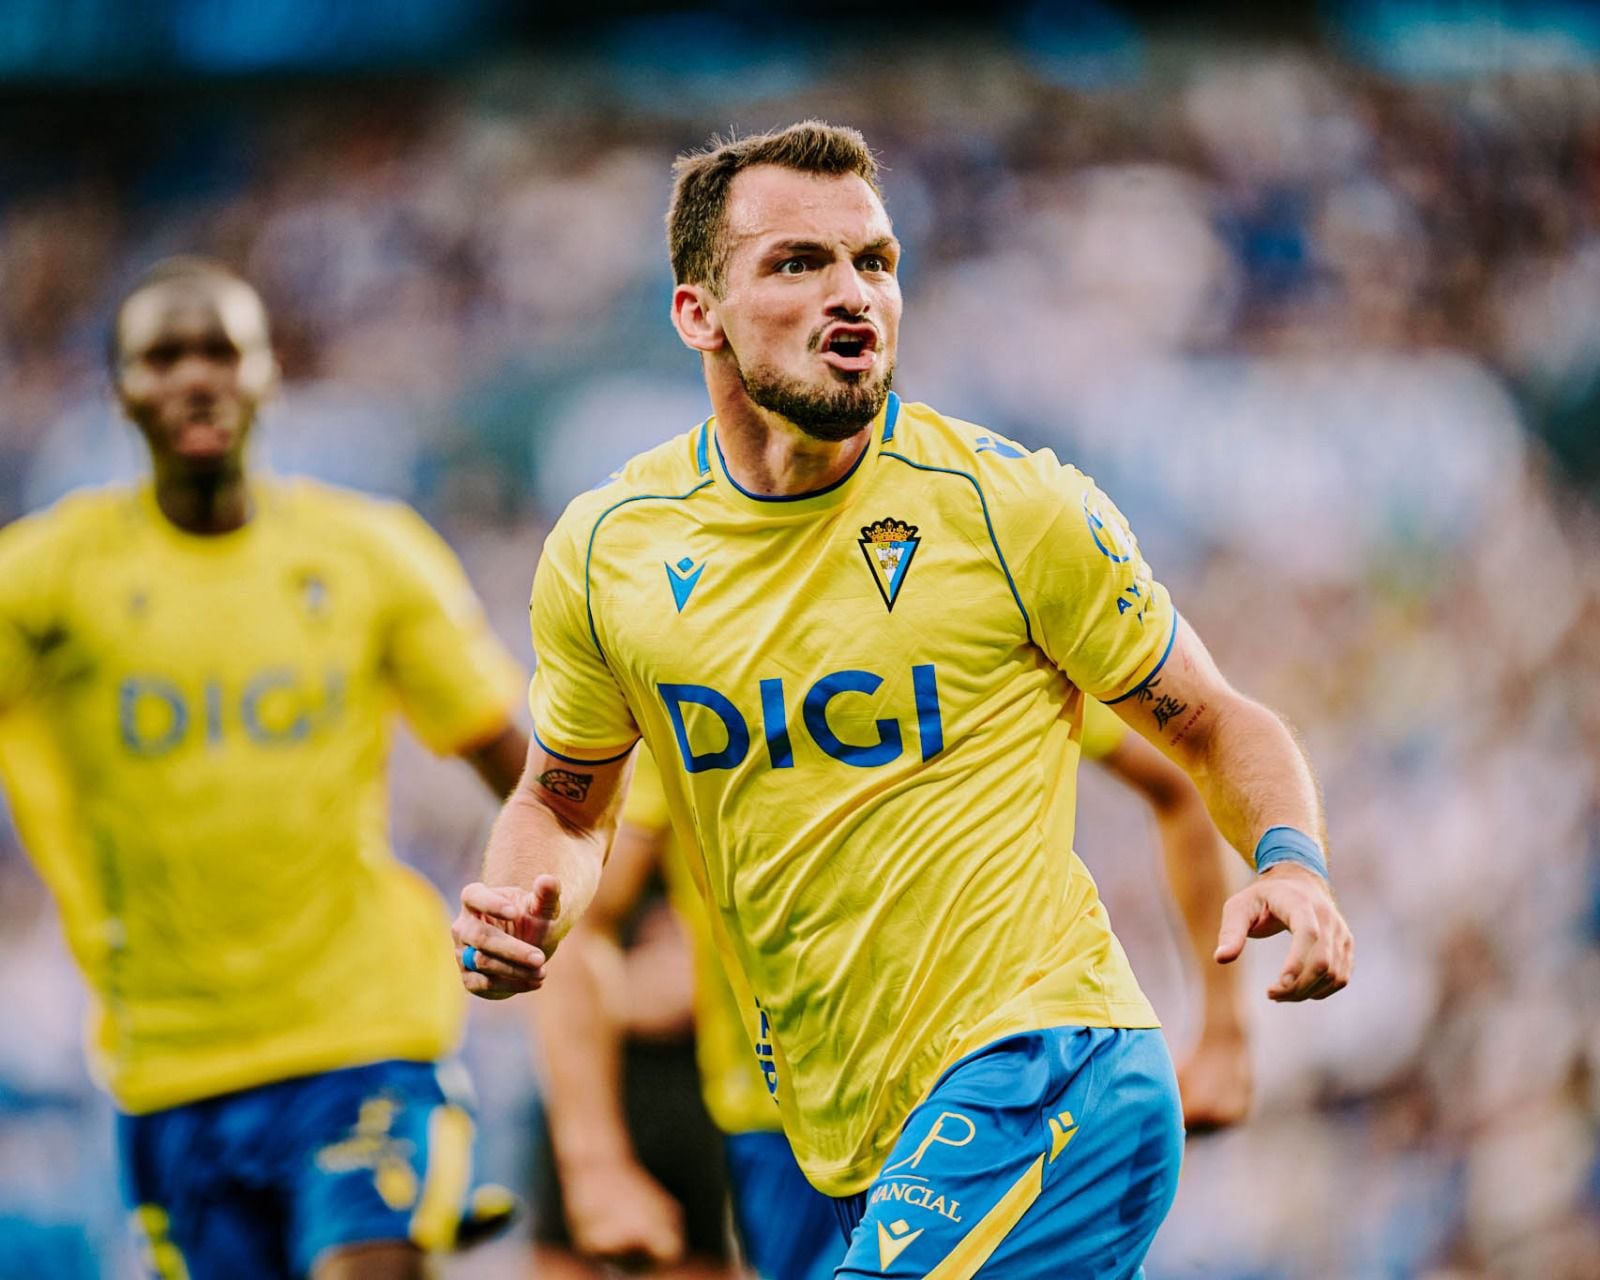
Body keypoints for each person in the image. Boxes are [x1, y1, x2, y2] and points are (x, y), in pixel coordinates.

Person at [454, 121, 1354, 1276]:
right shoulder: (608, 552)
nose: (852, 294)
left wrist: (1290, 859)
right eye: (797, 263)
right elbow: (568, 805)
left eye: (874, 261)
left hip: (1052, 1071)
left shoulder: (1010, 507)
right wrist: (527, 898)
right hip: (829, 1136)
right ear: (698, 315)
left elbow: (1216, 724)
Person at [0, 257, 528, 1280]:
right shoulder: (45, 582)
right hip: (168, 1059)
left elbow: (517, 761)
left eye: (220, 351)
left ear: (267, 373)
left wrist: (591, 897)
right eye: (163, 356)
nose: (196, 377)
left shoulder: (369, 554)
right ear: (118, 389)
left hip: (362, 1026)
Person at [535, 696, 1251, 1279]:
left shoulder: (961, 638)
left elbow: (1184, 772)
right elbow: (586, 918)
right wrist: (595, 1159)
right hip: (781, 1134)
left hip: (977, 1084)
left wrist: (1225, 1031)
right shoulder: (696, 688)